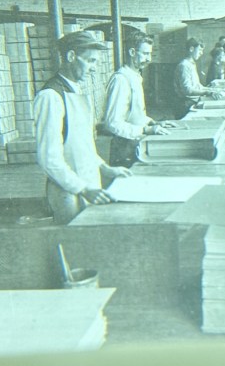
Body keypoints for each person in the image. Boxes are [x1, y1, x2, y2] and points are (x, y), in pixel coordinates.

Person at [33, 31, 131, 225]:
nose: (94, 68)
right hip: (67, 191)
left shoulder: (75, 90)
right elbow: (49, 159)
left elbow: (82, 144)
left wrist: (105, 168)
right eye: (90, 61)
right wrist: (83, 189)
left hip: (86, 184)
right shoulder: (51, 96)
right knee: (74, 243)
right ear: (70, 56)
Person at [101, 32, 171, 166]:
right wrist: (144, 130)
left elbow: (134, 115)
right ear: (132, 52)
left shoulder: (134, 77)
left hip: (134, 143)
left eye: (150, 54)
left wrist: (152, 122)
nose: (149, 58)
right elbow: (112, 123)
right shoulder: (121, 80)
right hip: (124, 148)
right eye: (145, 54)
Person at [173, 37, 222, 115]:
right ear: (191, 49)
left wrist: (211, 90)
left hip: (192, 101)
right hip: (185, 104)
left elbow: (197, 85)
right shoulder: (184, 65)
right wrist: (207, 92)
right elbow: (187, 90)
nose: (201, 53)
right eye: (199, 50)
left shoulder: (191, 64)